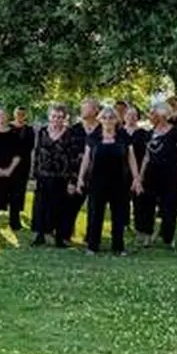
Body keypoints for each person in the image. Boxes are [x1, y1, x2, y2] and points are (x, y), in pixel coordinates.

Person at [77, 106, 141, 256]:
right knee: (95, 214)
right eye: (104, 118)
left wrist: (136, 178)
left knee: (118, 215)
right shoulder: (93, 137)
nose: (108, 121)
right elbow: (86, 158)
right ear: (100, 120)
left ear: (116, 120)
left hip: (119, 182)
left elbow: (131, 158)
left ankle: (118, 247)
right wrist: (80, 178)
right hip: (96, 182)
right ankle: (92, 246)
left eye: (111, 118)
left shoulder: (123, 136)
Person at [137, 102, 177, 249]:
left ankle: (168, 237)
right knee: (147, 205)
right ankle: (147, 236)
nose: (150, 116)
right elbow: (147, 156)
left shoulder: (175, 132)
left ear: (162, 115)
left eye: (153, 113)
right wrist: (140, 176)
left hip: (170, 175)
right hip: (151, 175)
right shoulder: (149, 133)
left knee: (169, 206)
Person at [30, 104, 77, 247]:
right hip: (43, 175)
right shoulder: (42, 131)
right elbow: (37, 153)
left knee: (60, 207)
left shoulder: (70, 133)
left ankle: (59, 238)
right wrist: (34, 176)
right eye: (54, 116)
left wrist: (72, 181)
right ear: (49, 117)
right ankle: (39, 235)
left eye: (60, 117)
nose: (57, 120)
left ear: (65, 118)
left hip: (62, 176)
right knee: (40, 206)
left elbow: (74, 158)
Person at [62, 98, 101, 244]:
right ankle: (65, 235)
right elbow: (68, 155)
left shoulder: (102, 129)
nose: (82, 110)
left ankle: (92, 238)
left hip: (97, 175)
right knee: (71, 205)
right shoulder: (74, 130)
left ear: (95, 110)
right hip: (76, 174)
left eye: (86, 108)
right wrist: (71, 180)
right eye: (82, 107)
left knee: (95, 209)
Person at [123, 107, 152, 242]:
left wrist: (140, 175)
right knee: (122, 200)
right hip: (121, 172)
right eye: (129, 114)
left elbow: (147, 154)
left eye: (134, 115)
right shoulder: (118, 132)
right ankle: (123, 225)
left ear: (138, 117)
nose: (131, 117)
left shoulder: (144, 134)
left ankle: (140, 229)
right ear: (124, 116)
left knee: (140, 201)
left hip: (140, 171)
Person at [10, 107, 35, 228]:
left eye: (22, 114)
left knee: (20, 189)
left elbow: (30, 146)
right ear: (14, 114)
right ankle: (13, 217)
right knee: (12, 189)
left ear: (25, 115)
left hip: (23, 163)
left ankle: (17, 212)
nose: (20, 115)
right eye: (18, 113)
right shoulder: (9, 127)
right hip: (9, 163)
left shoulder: (29, 129)